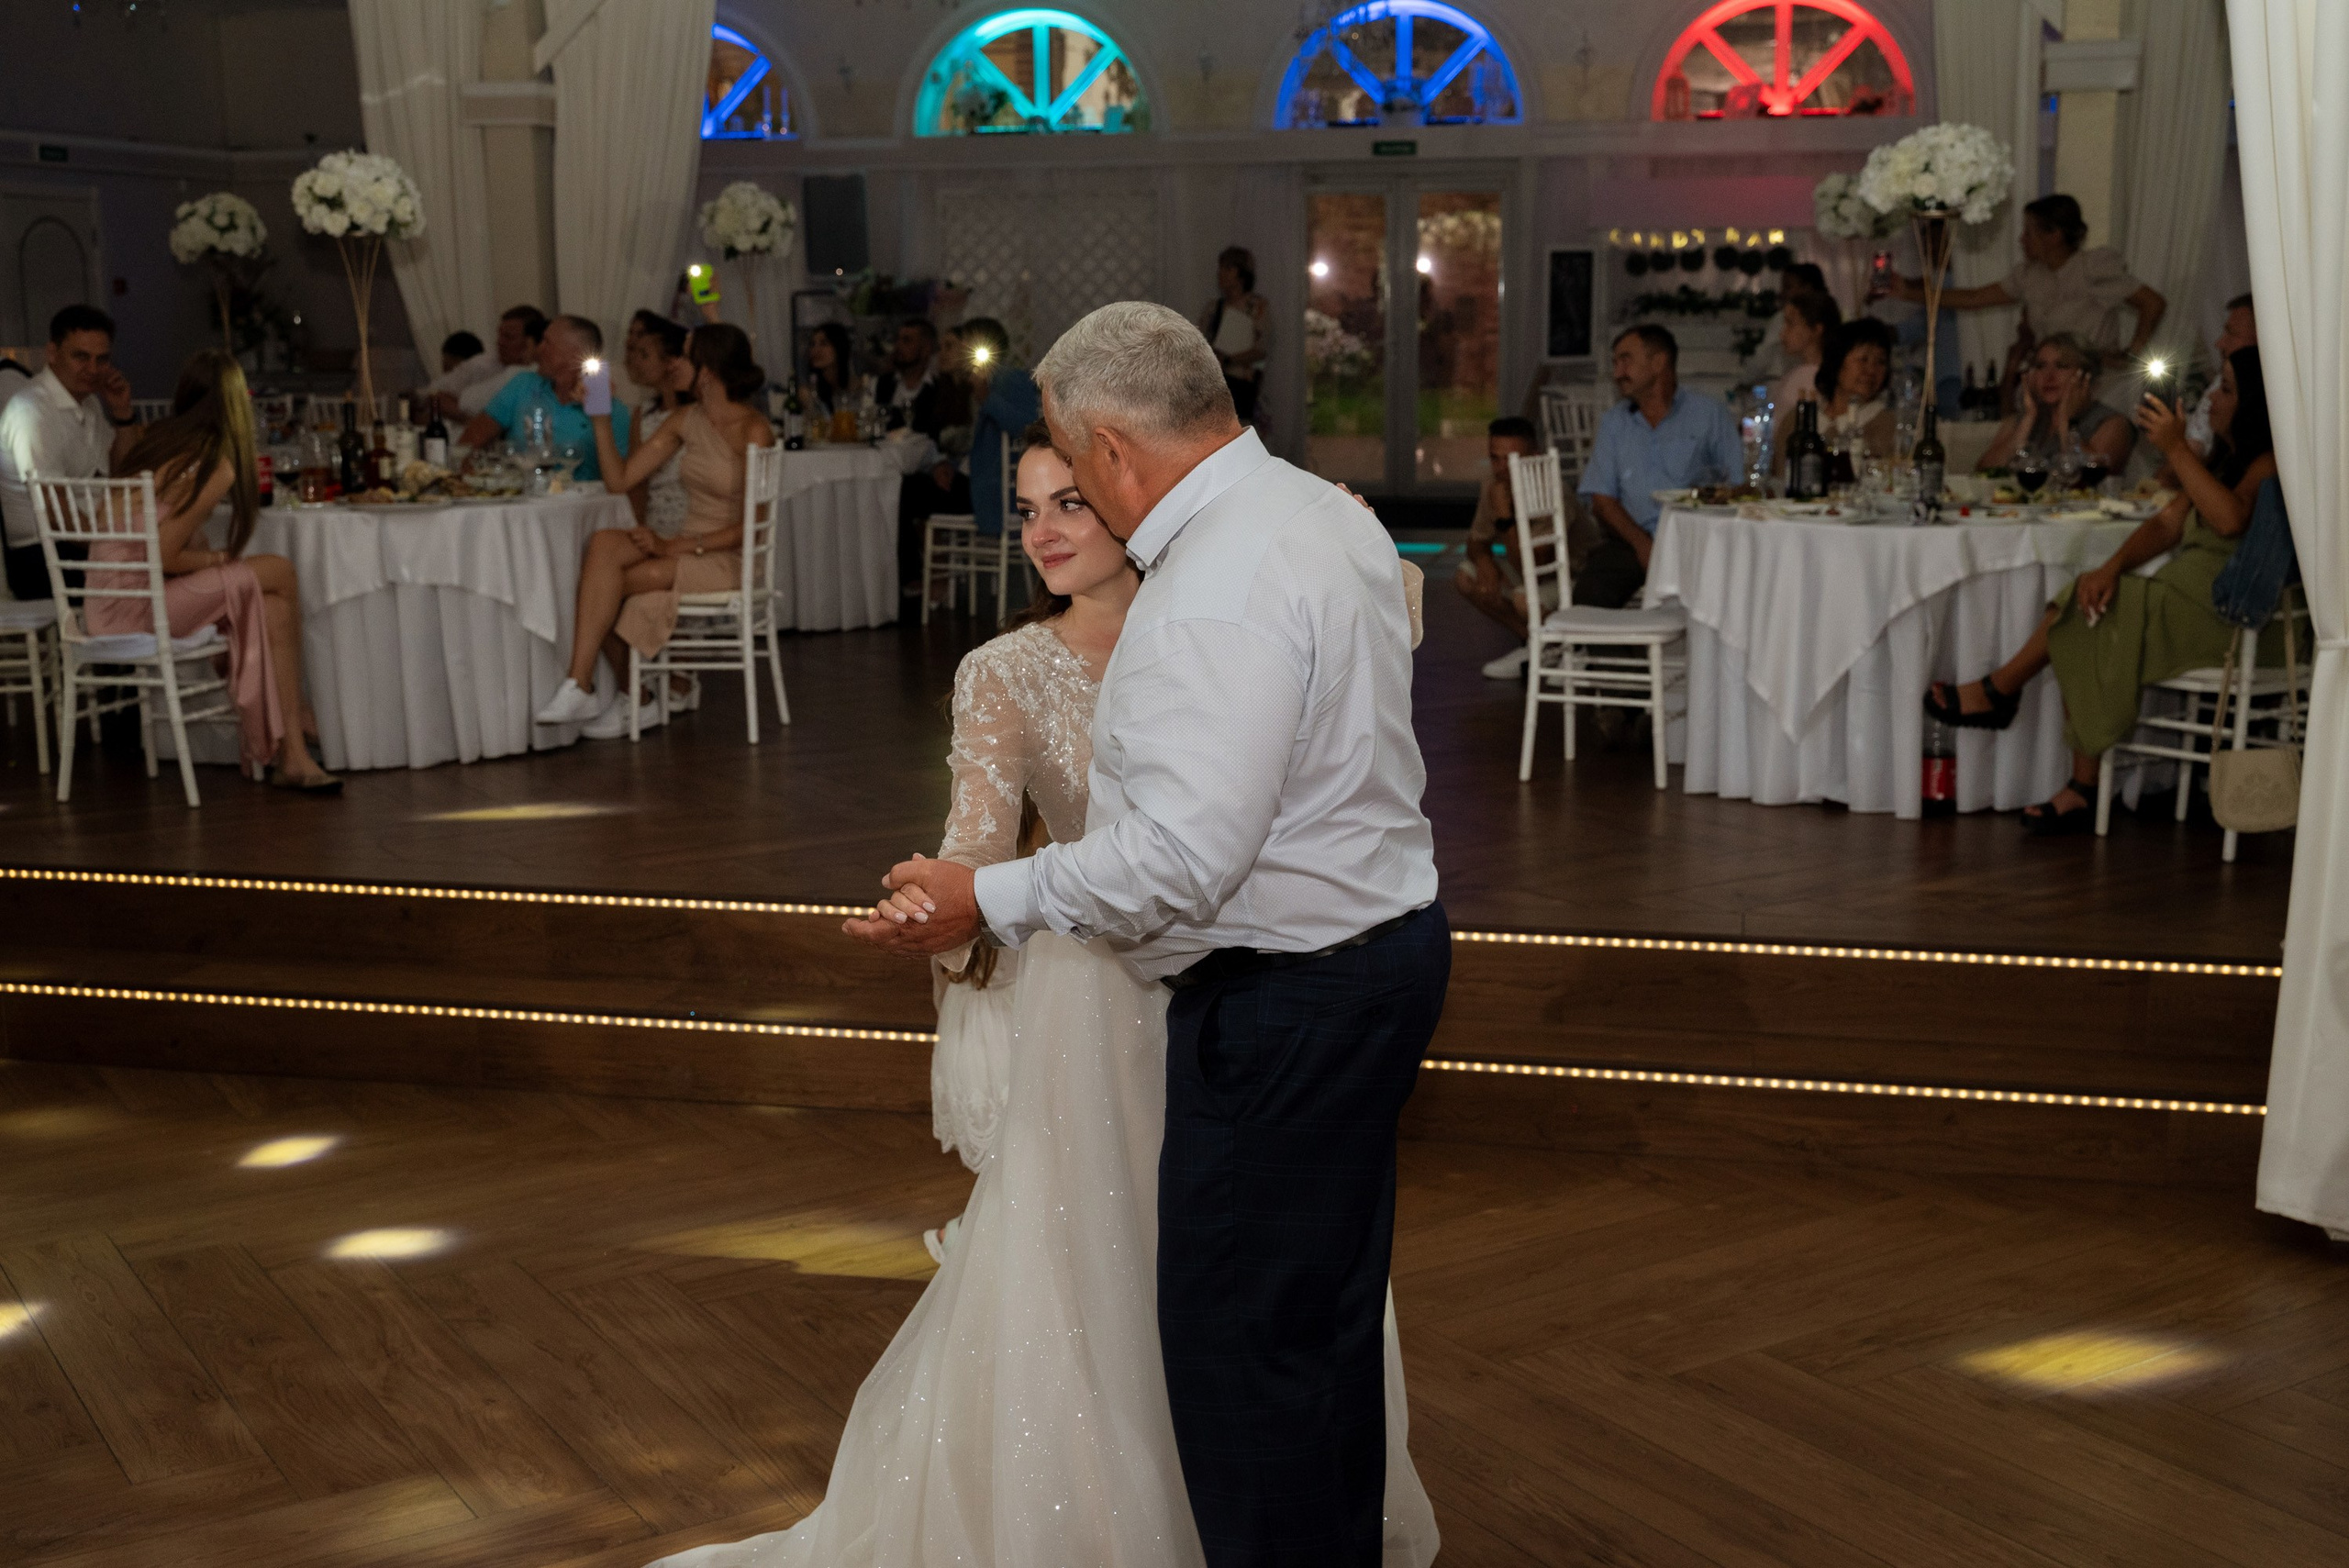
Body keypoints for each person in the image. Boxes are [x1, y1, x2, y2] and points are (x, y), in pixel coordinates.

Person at [843, 300, 1447, 1565]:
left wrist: (985, 898)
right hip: (1382, 954)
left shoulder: (1211, 591)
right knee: (1319, 1322)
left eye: (1072, 465)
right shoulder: (1323, 515)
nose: (1062, 510)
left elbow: (1182, 858)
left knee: (1244, 1356)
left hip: (1284, 998)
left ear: (1110, 448)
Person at [1924, 346, 2276, 835]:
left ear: (2254, 404)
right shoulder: (2223, 461)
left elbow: (2230, 520)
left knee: (2086, 607)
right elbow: (2165, 525)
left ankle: (2005, 695)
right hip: (2187, 599)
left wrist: (2177, 449)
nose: (2212, 398)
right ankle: (2064, 768)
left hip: (2234, 614)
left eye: (2228, 389)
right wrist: (2110, 567)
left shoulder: (2269, 464)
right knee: (2091, 596)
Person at [81, 350, 337, 792]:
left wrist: (215, 562)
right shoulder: (212, 463)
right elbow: (166, 555)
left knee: (273, 607)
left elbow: (163, 537)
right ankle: (296, 712)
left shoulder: (156, 441)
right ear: (237, 405)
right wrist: (221, 561)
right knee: (279, 571)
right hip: (138, 608)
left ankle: (293, 756)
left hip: (110, 604)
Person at [534, 323, 773, 739]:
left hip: (729, 557)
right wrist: (600, 419)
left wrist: (672, 545)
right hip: (685, 546)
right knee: (605, 545)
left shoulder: (754, 430)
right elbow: (621, 481)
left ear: (707, 371)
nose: (674, 364)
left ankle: (633, 694)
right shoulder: (685, 419)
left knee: (602, 588)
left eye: (684, 356)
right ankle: (581, 683)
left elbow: (752, 530)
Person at [1888, 194, 2165, 378]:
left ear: (2054, 235)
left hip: (2094, 383)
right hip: (2051, 382)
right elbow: (1973, 298)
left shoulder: (2091, 268)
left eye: (2029, 232)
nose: (2022, 239)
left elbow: (2153, 303)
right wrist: (1908, 293)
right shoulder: (2029, 275)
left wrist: (2133, 354)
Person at [1576, 324, 1742, 608]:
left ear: (1658, 362)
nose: (1617, 373)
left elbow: (1737, 484)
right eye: (1615, 363)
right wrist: (1643, 545)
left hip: (1696, 542)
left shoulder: (1709, 415)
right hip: (1632, 539)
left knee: (1731, 592)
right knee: (1588, 599)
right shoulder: (1615, 423)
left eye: (1626, 361)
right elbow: (1602, 501)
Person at [1, 306, 144, 603]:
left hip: (80, 543)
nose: (93, 369)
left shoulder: (88, 402)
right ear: (52, 353)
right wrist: (115, 547)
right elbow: (56, 512)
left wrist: (122, 413)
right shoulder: (32, 410)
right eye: (81, 357)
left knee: (176, 557)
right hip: (42, 557)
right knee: (166, 573)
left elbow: (123, 473)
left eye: (102, 359)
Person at [1459, 415, 1596, 679]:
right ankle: (1536, 645)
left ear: (1534, 456)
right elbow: (1476, 541)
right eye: (1495, 458)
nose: (1502, 468)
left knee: (1525, 599)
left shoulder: (1551, 490)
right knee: (1467, 577)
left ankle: (1575, 648)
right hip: (1534, 574)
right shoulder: (1495, 484)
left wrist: (1505, 517)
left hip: (1576, 576)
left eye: (1512, 459)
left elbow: (1535, 568)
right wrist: (1484, 562)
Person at [461, 314, 629, 482]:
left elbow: (621, 479)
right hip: (522, 494)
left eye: (547, 343)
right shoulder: (522, 385)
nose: (538, 349)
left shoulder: (613, 411)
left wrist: (599, 415)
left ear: (575, 355)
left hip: (580, 496)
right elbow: (470, 441)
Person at [1975, 334, 2136, 476]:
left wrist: (2066, 423)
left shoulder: (2113, 423)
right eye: (2040, 366)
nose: (2049, 376)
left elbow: (2090, 476)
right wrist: (2028, 419)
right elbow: (1984, 473)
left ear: (2086, 376)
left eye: (2062, 366)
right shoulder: (2023, 419)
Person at [622, 312, 695, 539]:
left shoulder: (696, 415)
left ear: (671, 362)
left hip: (691, 524)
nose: (634, 360)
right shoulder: (643, 413)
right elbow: (635, 483)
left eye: (644, 355)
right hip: (653, 523)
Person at [1805, 317, 1899, 471]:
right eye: (1863, 359)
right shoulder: (1802, 420)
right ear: (1837, 362)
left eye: (1881, 362)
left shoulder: (1887, 426)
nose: (1871, 370)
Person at [429, 304, 544, 419]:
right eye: (500, 335)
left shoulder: (536, 374)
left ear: (531, 343)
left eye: (508, 337)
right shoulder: (483, 363)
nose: (500, 342)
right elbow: (434, 393)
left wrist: (475, 420)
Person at [2179, 293, 2256, 463]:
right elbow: (2196, 444)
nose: (2219, 343)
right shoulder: (2221, 379)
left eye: (2232, 334)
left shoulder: (2264, 463)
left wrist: (2174, 446)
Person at [1199, 245, 1271, 425]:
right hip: (1216, 386)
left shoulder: (1257, 308)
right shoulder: (1213, 308)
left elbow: (1261, 350)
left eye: (1228, 268)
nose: (1221, 273)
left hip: (1243, 387)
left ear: (1242, 274)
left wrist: (1229, 360)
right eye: (1221, 268)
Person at [1768, 289, 1840, 471]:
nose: (1783, 334)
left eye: (1791, 324)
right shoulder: (1800, 373)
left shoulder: (1811, 377)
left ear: (1816, 330)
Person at [874, 317, 956, 439]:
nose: (898, 346)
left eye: (907, 341)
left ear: (926, 349)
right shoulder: (883, 383)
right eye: (898, 339)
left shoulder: (940, 388)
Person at [800, 322, 863, 425]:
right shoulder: (809, 392)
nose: (816, 350)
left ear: (839, 348)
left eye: (824, 344)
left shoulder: (857, 386)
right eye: (813, 344)